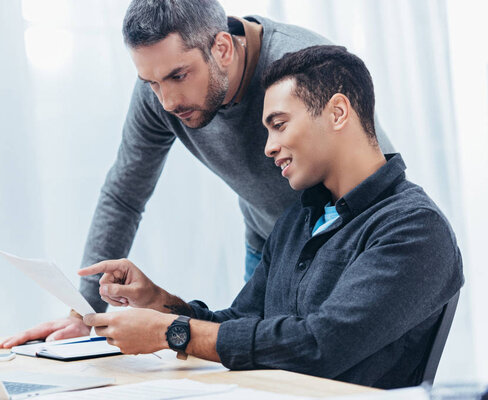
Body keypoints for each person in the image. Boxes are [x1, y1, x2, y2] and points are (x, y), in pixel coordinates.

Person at [0, 0, 392, 349]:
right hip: (271, 244)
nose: (166, 101)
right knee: (260, 363)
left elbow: (374, 169)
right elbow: (124, 194)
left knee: (327, 358)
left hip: (347, 241)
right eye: (151, 83)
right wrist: (81, 313)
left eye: (177, 76)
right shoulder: (160, 95)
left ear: (221, 47)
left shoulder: (301, 67)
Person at [76, 46, 462, 389]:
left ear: (338, 112)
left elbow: (319, 345)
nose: (269, 147)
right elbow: (241, 322)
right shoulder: (299, 220)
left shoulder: (414, 229)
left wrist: (173, 333)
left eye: (278, 125)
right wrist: (160, 302)